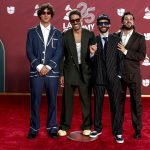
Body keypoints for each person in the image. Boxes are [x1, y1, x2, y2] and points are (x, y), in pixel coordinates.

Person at [26, 3, 63, 139]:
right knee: (35, 101)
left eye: (48, 13)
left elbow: (59, 52)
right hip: (36, 72)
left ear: (51, 15)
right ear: (40, 15)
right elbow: (29, 51)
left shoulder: (58, 33)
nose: (46, 15)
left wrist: (48, 67)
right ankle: (34, 128)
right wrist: (39, 66)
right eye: (43, 12)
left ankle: (52, 127)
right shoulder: (31, 32)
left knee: (52, 101)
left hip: (52, 73)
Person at [58, 9, 97, 137]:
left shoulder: (90, 34)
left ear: (81, 20)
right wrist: (61, 74)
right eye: (72, 20)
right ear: (70, 22)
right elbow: (61, 56)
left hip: (85, 71)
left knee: (86, 101)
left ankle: (86, 126)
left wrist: (92, 53)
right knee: (67, 101)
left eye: (77, 19)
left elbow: (94, 55)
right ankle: (64, 126)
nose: (75, 22)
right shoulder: (65, 35)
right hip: (69, 71)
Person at [90, 14, 124, 143]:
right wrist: (92, 53)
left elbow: (120, 60)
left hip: (113, 79)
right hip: (98, 79)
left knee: (116, 105)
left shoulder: (116, 39)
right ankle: (97, 128)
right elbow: (90, 61)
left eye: (105, 23)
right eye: (100, 23)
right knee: (97, 105)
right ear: (97, 25)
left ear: (109, 25)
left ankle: (118, 132)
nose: (103, 25)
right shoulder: (94, 40)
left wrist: (118, 75)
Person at [117, 12, 146, 139]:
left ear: (133, 22)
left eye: (130, 19)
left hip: (134, 75)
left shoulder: (140, 37)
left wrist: (126, 51)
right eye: (126, 19)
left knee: (136, 103)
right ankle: (118, 128)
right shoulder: (116, 36)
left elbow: (141, 56)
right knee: (119, 103)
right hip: (119, 76)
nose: (128, 21)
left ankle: (138, 130)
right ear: (122, 21)